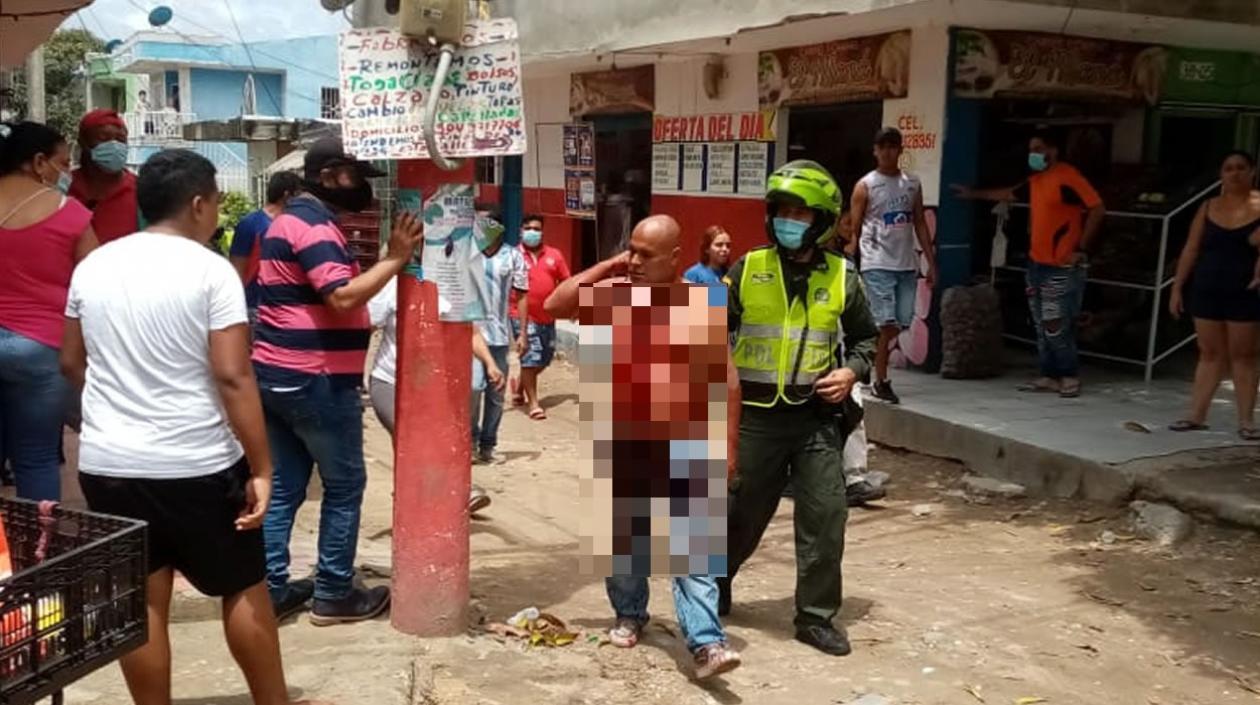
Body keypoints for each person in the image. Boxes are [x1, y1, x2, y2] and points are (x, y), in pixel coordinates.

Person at [59, 149, 325, 705]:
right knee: (243, 585)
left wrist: (115, 409)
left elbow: (71, 361)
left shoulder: (94, 266)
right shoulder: (211, 270)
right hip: (197, 463)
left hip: (109, 464)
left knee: (142, 601)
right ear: (199, 203)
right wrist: (262, 468)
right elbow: (232, 375)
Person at [544, 215, 742, 680]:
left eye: (645, 255)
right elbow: (554, 304)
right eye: (631, 250)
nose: (634, 261)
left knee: (692, 551)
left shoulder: (698, 302)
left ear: (674, 259)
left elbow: (728, 380)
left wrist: (729, 445)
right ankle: (629, 612)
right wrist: (608, 265)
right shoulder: (614, 296)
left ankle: (707, 643)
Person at [252, 137, 422, 625]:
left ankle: (270, 590)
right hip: (317, 379)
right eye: (354, 176)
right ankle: (333, 592)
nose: (361, 187)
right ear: (328, 176)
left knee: (285, 487)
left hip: (279, 376)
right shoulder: (313, 226)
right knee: (345, 485)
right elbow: (342, 296)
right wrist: (395, 258)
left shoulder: (293, 220)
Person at [719, 160, 879, 657]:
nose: (788, 221)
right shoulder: (747, 269)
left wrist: (850, 371)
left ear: (823, 220)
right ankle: (716, 581)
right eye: (782, 211)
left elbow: (866, 339)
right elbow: (712, 338)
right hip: (756, 420)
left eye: (800, 214)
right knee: (740, 515)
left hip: (815, 422)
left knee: (826, 516)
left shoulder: (843, 276)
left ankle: (815, 616)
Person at [952, 129, 1104, 398]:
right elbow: (1010, 194)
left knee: (1056, 323)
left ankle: (1068, 375)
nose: (1033, 154)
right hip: (1037, 263)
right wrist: (973, 194)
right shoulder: (1036, 180)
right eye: (1031, 149)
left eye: (1038, 149)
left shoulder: (1068, 177)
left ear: (1053, 150)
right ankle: (1049, 374)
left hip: (1061, 265)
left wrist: (1081, 249)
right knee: (1041, 323)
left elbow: (1097, 208)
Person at [0, 121, 97, 501]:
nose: (67, 172)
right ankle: (37, 540)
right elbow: (96, 282)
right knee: (36, 459)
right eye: (64, 162)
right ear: (39, 162)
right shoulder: (69, 213)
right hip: (41, 347)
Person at [367, 275, 503, 513]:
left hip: (432, 387)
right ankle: (458, 489)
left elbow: (471, 332)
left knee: (429, 441)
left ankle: (412, 496)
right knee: (411, 436)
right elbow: (367, 327)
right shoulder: (393, 285)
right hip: (389, 382)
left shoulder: (457, 286)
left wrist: (490, 363)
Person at [1169, 150, 1260, 441]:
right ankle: (1196, 415)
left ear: (1252, 171)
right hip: (1207, 287)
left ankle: (1246, 420)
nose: (1234, 173)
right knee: (1209, 353)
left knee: (1243, 355)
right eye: (1228, 168)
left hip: (1245, 290)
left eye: (1241, 167)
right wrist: (1177, 287)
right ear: (1221, 174)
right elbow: (1191, 249)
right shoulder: (1208, 206)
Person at [851, 127, 936, 405]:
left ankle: (864, 355)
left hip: (906, 264)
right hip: (876, 262)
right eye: (882, 147)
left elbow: (920, 222)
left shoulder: (912, 183)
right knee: (885, 323)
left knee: (899, 323)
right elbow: (854, 227)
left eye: (892, 146)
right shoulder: (866, 185)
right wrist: (852, 260)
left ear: (900, 150)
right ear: (875, 151)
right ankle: (881, 381)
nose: (887, 152)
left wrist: (930, 262)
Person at [824, 210, 886, 507]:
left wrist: (855, 367)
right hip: (801, 369)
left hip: (839, 360)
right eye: (847, 223)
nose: (852, 228)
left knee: (853, 415)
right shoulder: (757, 269)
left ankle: (853, 480)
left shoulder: (844, 268)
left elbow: (864, 331)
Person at [471, 208, 529, 463]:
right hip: (472, 333)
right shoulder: (468, 251)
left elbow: (522, 294)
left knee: (496, 395)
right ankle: (470, 439)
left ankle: (488, 444)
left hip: (499, 334)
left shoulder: (512, 256)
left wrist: (522, 332)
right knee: (474, 387)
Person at [510, 214, 570, 420]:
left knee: (545, 358)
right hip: (521, 316)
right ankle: (534, 404)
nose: (532, 232)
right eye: (528, 228)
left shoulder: (555, 255)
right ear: (521, 231)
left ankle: (520, 386)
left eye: (536, 229)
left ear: (543, 232)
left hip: (548, 316)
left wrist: (570, 306)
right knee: (530, 357)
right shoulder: (513, 256)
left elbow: (566, 282)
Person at [229, 171, 303, 323]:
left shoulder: (293, 225)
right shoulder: (250, 224)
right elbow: (237, 269)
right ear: (287, 195)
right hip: (256, 307)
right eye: (298, 195)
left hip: (284, 306)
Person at [69, 109, 139, 244]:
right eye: (104, 139)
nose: (114, 146)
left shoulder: (140, 190)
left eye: (121, 139)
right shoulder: (65, 187)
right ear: (84, 143)